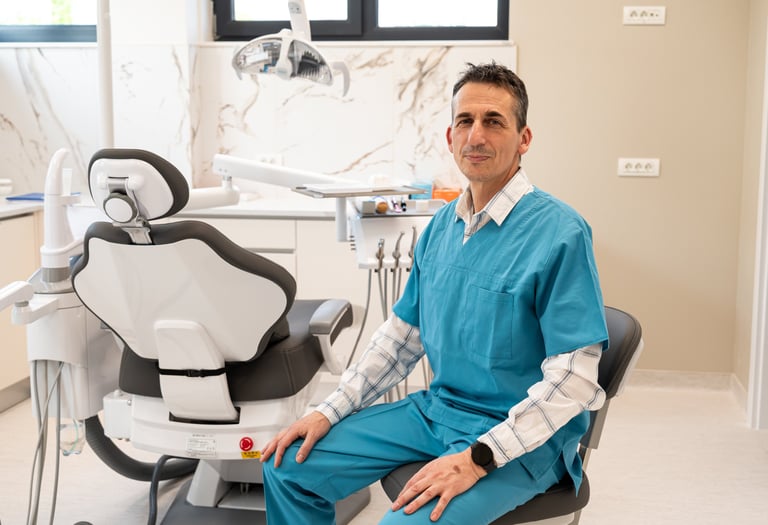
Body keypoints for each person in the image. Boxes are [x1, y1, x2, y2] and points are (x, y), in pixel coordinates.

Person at [260, 62, 609, 525]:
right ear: (450, 137)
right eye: (465, 122)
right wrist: (328, 411)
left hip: (518, 437)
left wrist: (477, 459)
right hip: (437, 412)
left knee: (407, 521)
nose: (476, 136)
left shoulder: (561, 233)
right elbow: (401, 339)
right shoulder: (441, 227)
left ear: (524, 139)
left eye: (493, 121)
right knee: (285, 465)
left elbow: (574, 380)